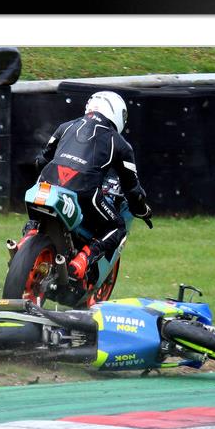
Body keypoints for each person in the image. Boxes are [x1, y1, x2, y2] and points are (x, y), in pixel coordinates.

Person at [21, 91, 153, 285]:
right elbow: (132, 190)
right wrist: (143, 210)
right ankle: (83, 259)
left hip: (46, 184)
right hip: (85, 192)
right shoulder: (120, 143)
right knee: (117, 227)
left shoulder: (65, 127)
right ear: (116, 113)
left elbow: (41, 161)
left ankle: (29, 237)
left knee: (39, 210)